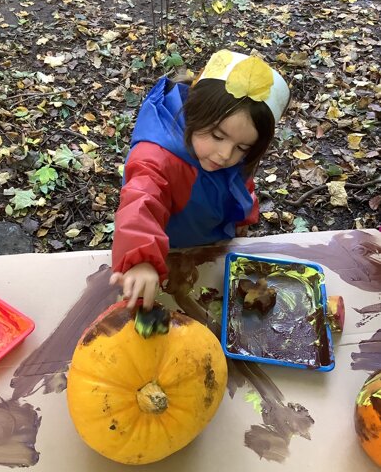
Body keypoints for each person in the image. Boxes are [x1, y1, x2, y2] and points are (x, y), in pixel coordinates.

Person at [109, 49, 291, 310]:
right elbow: (141, 203)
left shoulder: (227, 153)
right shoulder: (155, 157)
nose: (226, 154)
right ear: (194, 112)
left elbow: (239, 185)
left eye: (242, 148)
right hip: (168, 252)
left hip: (211, 246)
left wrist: (243, 218)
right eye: (217, 136)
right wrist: (141, 259)